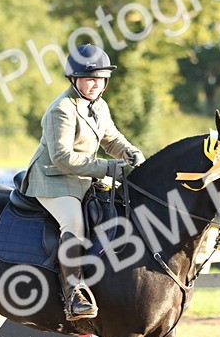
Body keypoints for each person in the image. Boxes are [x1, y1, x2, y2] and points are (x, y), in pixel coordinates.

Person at [21, 44, 145, 320]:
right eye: (89, 78)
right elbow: (63, 158)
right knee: (73, 222)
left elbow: (111, 139)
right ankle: (73, 292)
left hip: (83, 177)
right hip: (53, 179)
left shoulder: (99, 105)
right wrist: (109, 167)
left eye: (100, 79)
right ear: (74, 79)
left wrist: (131, 152)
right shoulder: (61, 110)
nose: (95, 84)